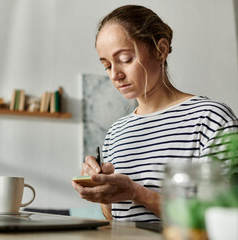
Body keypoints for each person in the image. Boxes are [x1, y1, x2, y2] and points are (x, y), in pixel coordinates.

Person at [71, 5, 238, 222]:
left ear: (161, 50)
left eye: (125, 59)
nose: (115, 74)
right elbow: (114, 218)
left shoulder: (212, 120)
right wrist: (100, 188)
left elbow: (218, 217)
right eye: (107, 65)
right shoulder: (116, 132)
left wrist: (136, 192)